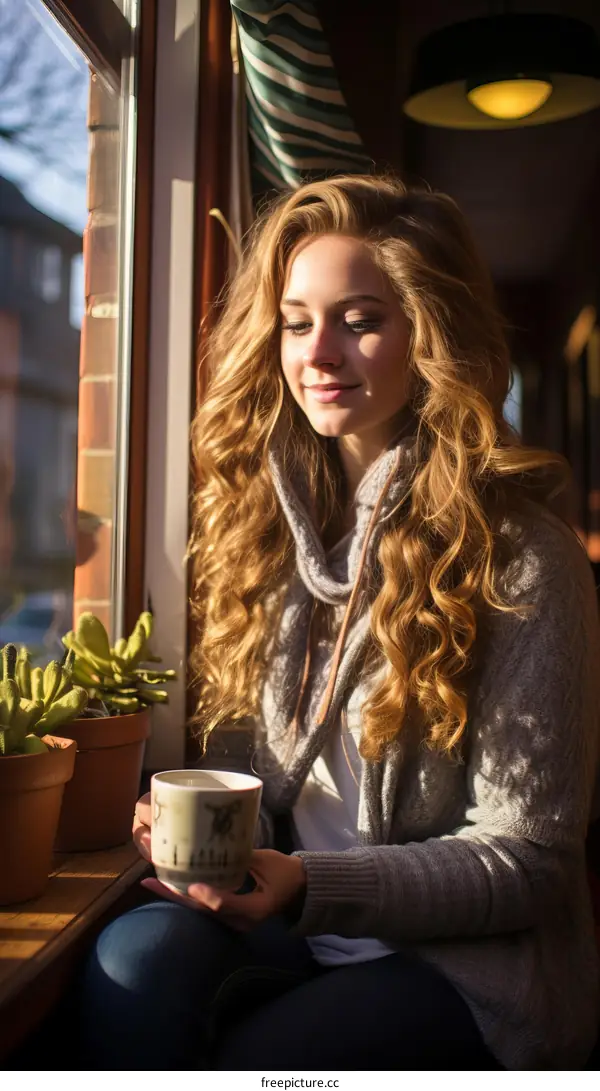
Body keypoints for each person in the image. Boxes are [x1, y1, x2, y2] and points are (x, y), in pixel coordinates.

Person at [78, 174, 600, 1071]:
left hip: (459, 974)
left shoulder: (523, 557)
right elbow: (252, 782)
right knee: (133, 961)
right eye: (295, 320)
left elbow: (532, 860)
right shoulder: (266, 534)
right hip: (296, 932)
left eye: (360, 320)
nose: (318, 352)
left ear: (432, 337)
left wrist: (312, 884)